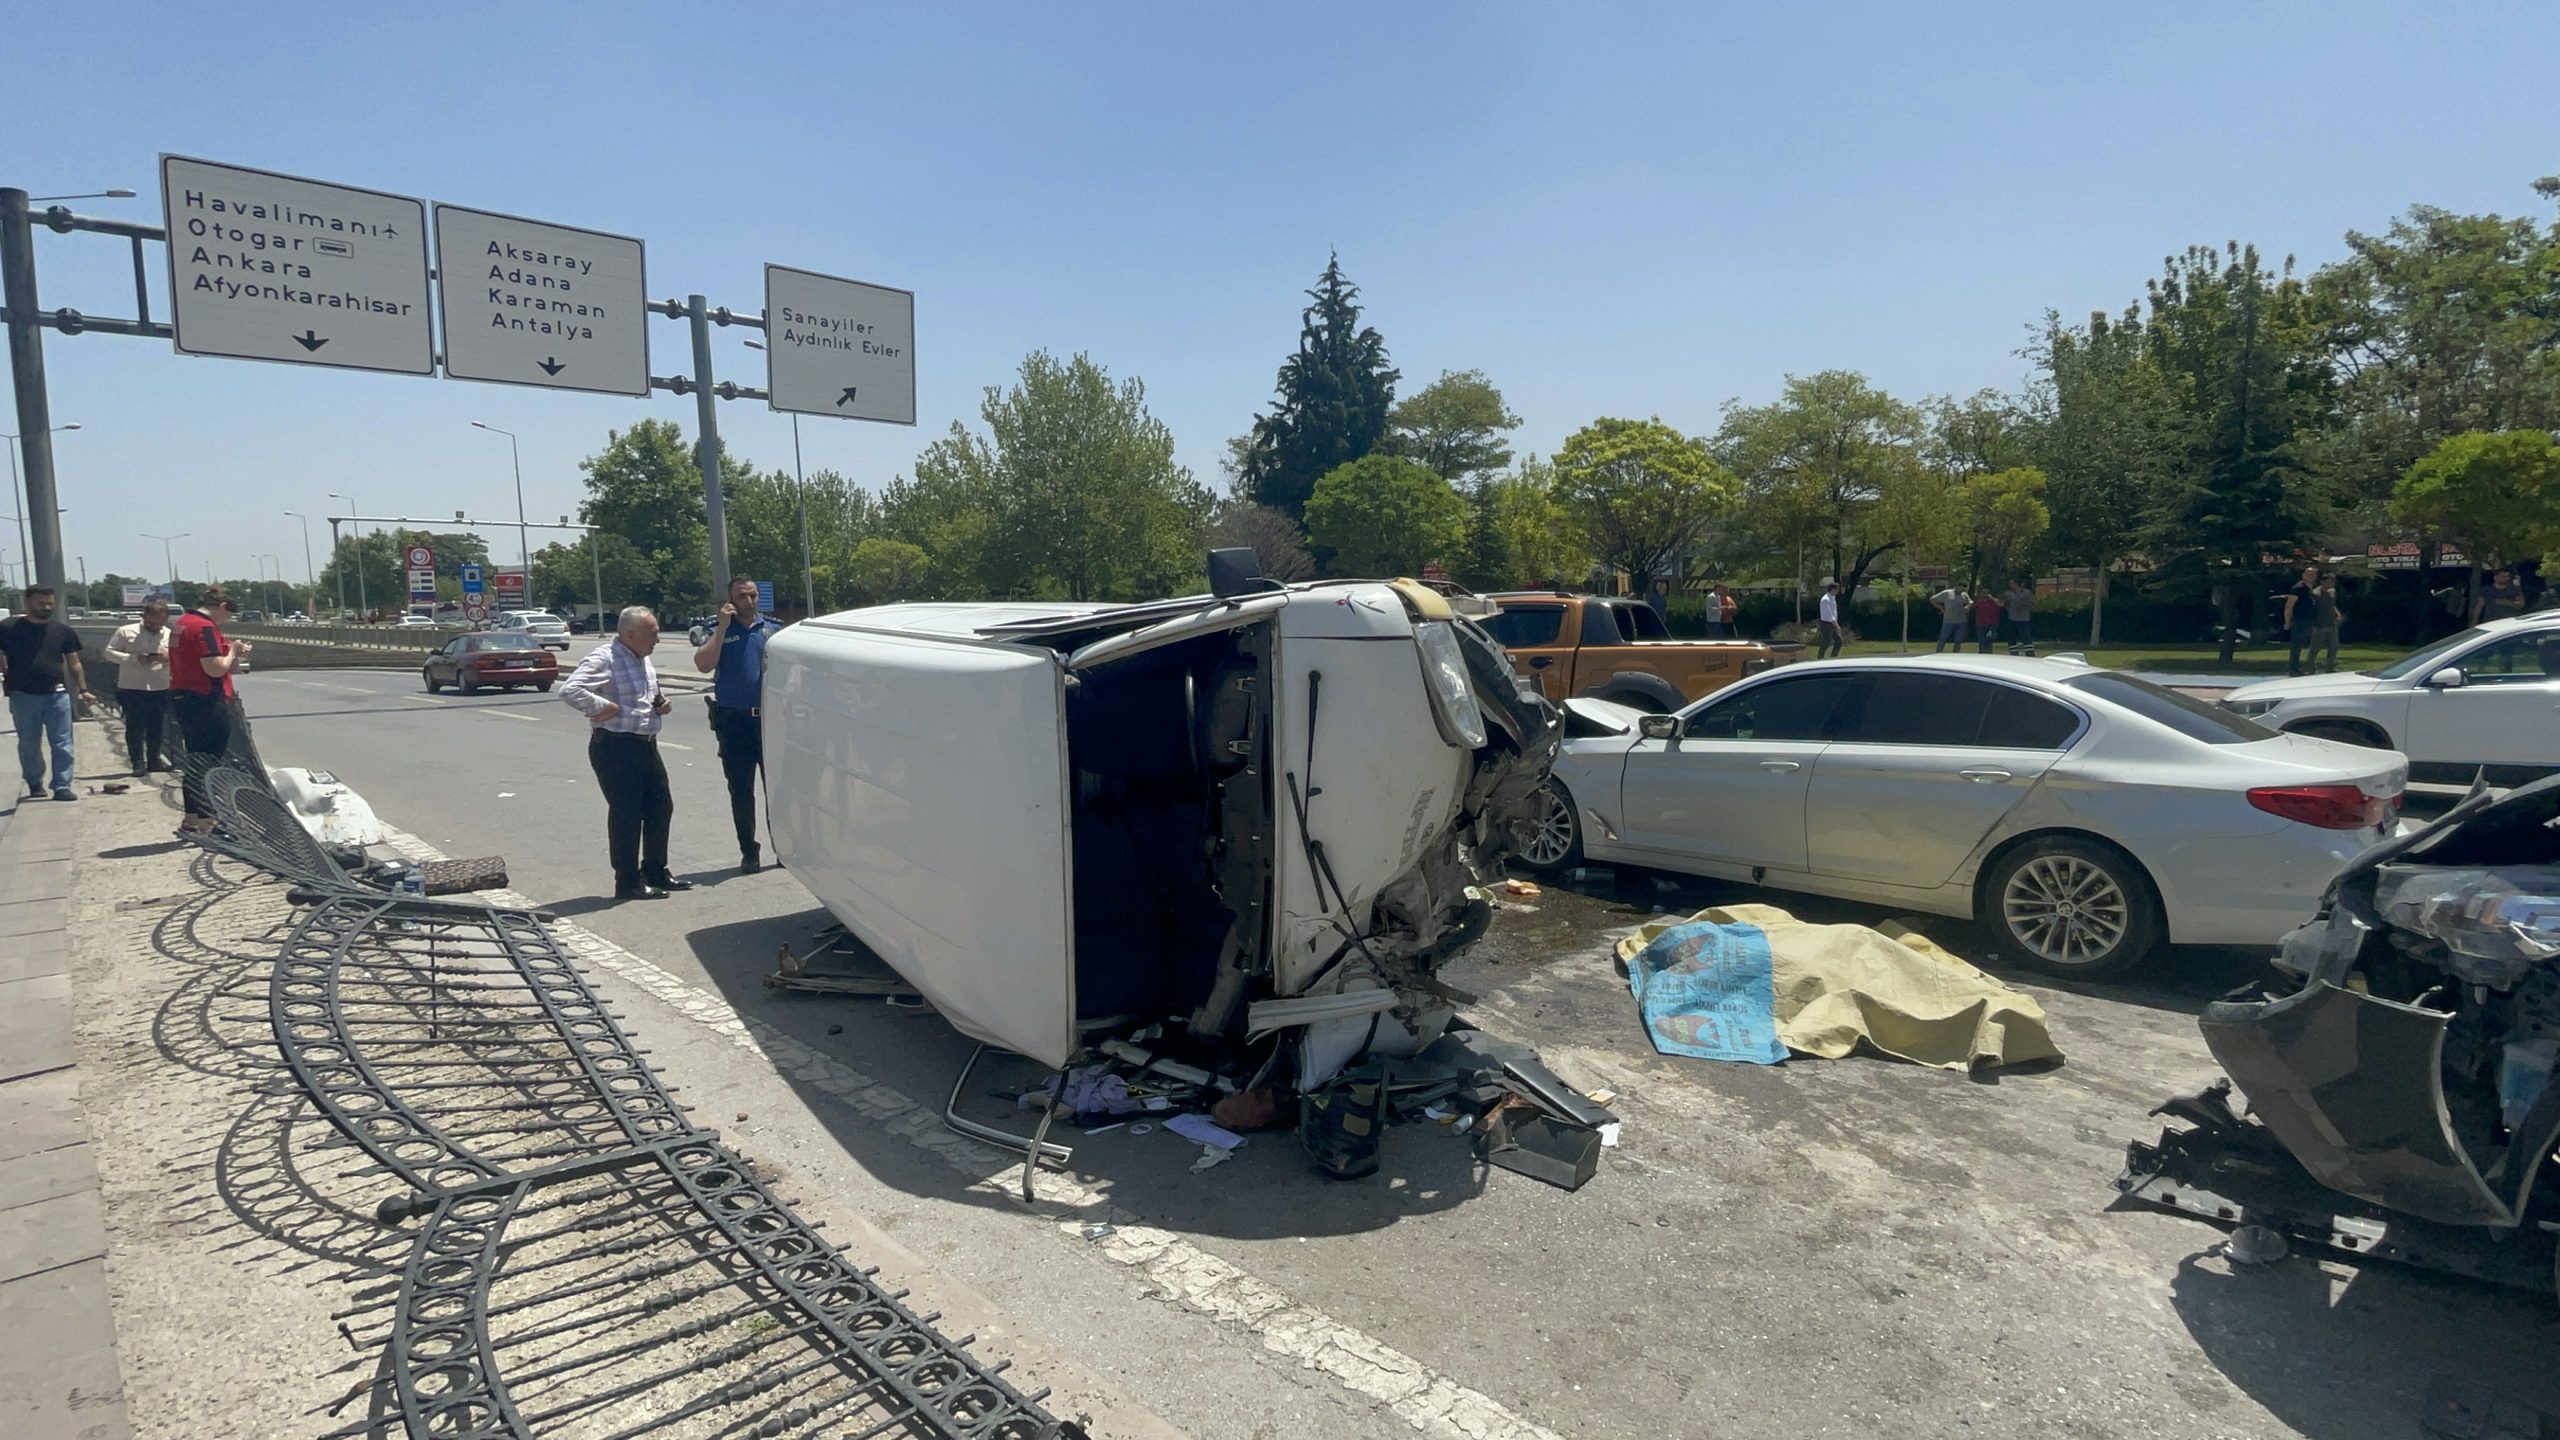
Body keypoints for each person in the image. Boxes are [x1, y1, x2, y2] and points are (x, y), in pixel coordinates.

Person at [561, 607, 686, 900]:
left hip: (645, 743)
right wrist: (602, 708)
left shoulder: (643, 658)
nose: (657, 639)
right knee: (627, 814)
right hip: (615, 746)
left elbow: (645, 696)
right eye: (652, 634)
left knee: (660, 806)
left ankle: (655, 870)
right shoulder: (605, 658)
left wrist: (661, 704)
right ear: (630, 634)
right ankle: (627, 881)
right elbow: (570, 690)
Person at [693, 576, 785, 873]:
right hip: (734, 721)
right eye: (742, 597)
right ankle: (749, 850)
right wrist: (721, 627)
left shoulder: (773, 629)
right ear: (730, 599)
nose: (749, 602)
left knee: (778, 789)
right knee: (741, 790)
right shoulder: (717, 629)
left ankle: (784, 848)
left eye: (753, 596)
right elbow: (703, 664)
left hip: (770, 721)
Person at [0, 585, 96, 801]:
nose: (46, 607)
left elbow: (74, 662)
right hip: (23, 695)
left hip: (57, 694)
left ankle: (62, 785)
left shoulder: (62, 631)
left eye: (50, 603)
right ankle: (34, 782)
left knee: (62, 741)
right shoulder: (8, 628)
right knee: (29, 742)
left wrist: (84, 689)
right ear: (28, 603)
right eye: (41, 603)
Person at [168, 585, 251, 830]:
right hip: (205, 698)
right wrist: (233, 651)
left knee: (195, 759)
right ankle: (207, 819)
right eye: (227, 615)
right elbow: (214, 668)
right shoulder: (204, 627)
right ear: (222, 607)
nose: (225, 621)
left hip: (183, 696)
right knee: (208, 762)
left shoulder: (182, 622)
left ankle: (193, 817)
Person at [105, 599, 177, 776]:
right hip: (132, 687)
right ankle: (137, 762)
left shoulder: (170, 634)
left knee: (157, 726)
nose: (155, 626)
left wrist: (168, 658)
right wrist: (134, 658)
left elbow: (180, 657)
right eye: (151, 622)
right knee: (135, 726)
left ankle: (154, 760)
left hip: (159, 686)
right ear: (144, 617)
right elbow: (109, 653)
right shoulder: (126, 631)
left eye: (159, 623)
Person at [2283, 565, 2320, 676]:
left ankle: (2309, 667)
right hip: (2300, 620)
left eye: (2313, 574)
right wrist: (2287, 620)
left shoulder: (2313, 589)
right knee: (2296, 646)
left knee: (2313, 645)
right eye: (2308, 574)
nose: (2311, 576)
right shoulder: (2297, 588)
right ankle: (2294, 669)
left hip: (2311, 620)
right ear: (2303, 575)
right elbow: (2289, 605)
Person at [2307, 573, 2343, 674]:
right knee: (2315, 647)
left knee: (2334, 646)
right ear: (2322, 582)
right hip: (2319, 624)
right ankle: (2310, 667)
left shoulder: (2332, 592)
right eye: (2329, 581)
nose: (2332, 583)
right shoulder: (2315, 594)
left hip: (2331, 623)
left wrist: (2337, 613)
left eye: (2333, 581)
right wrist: (2313, 624)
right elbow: (2312, 610)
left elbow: (2332, 605)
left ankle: (2330, 667)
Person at [1929, 583, 1970, 652]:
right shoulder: (1947, 593)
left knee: (1958, 640)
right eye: (1961, 588)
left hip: (1961, 621)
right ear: (1957, 586)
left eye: (1963, 589)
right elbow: (1932, 599)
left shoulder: (1964, 595)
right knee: (1943, 638)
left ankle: (1955, 653)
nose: (1962, 591)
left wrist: (1967, 606)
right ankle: (1938, 652)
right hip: (1948, 621)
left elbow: (1970, 602)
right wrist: (1941, 608)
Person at [2003, 579, 2037, 656]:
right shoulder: (2010, 594)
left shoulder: (2027, 593)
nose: (2010, 585)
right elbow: (2005, 604)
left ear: (2016, 584)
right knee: (2011, 638)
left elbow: (2033, 603)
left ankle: (2030, 653)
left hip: (2024, 619)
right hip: (2012, 619)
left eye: (2011, 583)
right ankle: (2013, 653)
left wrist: (2027, 605)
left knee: (2026, 637)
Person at [1815, 581, 1844, 659]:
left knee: (1839, 641)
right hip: (1827, 624)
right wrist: (1837, 626)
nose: (1838, 591)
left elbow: (1834, 613)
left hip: (1832, 623)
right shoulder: (1825, 600)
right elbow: (1829, 615)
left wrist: (1836, 623)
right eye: (1837, 589)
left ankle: (1833, 658)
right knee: (1826, 642)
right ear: (1832, 589)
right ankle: (1820, 658)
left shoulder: (1832, 598)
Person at [1971, 588, 2002, 654]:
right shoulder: (1979, 601)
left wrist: (1992, 598)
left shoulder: (1993, 601)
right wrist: (1979, 600)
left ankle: (1989, 652)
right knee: (1981, 641)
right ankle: (1982, 653)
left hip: (1991, 624)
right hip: (1980, 624)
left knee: (1990, 639)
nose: (1984, 594)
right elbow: (1972, 606)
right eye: (1983, 593)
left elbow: (2000, 604)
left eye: (1986, 593)